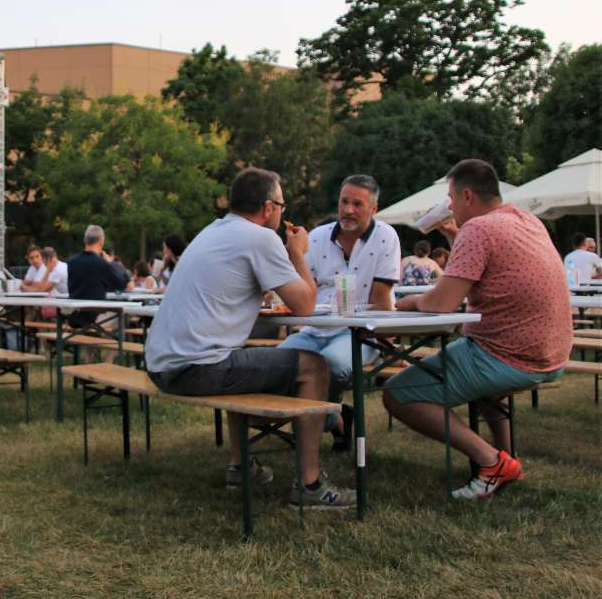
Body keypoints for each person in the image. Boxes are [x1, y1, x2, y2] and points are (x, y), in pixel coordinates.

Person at [146, 168, 354, 507]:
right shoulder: (259, 237)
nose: (284, 213)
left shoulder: (213, 230)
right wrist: (298, 252)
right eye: (283, 205)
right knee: (315, 366)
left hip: (162, 363)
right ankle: (310, 485)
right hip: (195, 368)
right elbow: (305, 303)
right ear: (269, 207)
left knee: (236, 357)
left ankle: (241, 467)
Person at [386, 159, 572, 500]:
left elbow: (442, 303)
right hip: (552, 352)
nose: (450, 206)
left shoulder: (479, 230)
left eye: (452, 199)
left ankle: (492, 463)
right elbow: (495, 264)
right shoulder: (524, 219)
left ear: (467, 195)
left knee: (397, 394)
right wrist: (455, 235)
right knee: (486, 389)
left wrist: (411, 302)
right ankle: (508, 458)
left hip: (509, 355)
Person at [278, 174, 400, 450]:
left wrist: (389, 343)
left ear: (374, 208)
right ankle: (334, 417)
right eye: (344, 201)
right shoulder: (319, 237)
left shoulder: (385, 237)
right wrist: (294, 253)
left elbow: (380, 297)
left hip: (361, 332)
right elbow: (300, 287)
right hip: (315, 328)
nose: (348, 210)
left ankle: (315, 420)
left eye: (357, 204)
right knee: (276, 362)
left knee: (330, 363)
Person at [65, 225, 129, 346]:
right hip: (95, 317)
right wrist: (112, 263)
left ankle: (88, 359)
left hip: (75, 317)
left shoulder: (71, 262)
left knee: (93, 326)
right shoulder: (101, 263)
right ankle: (109, 360)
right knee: (122, 318)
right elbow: (121, 285)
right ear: (101, 242)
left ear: (85, 240)